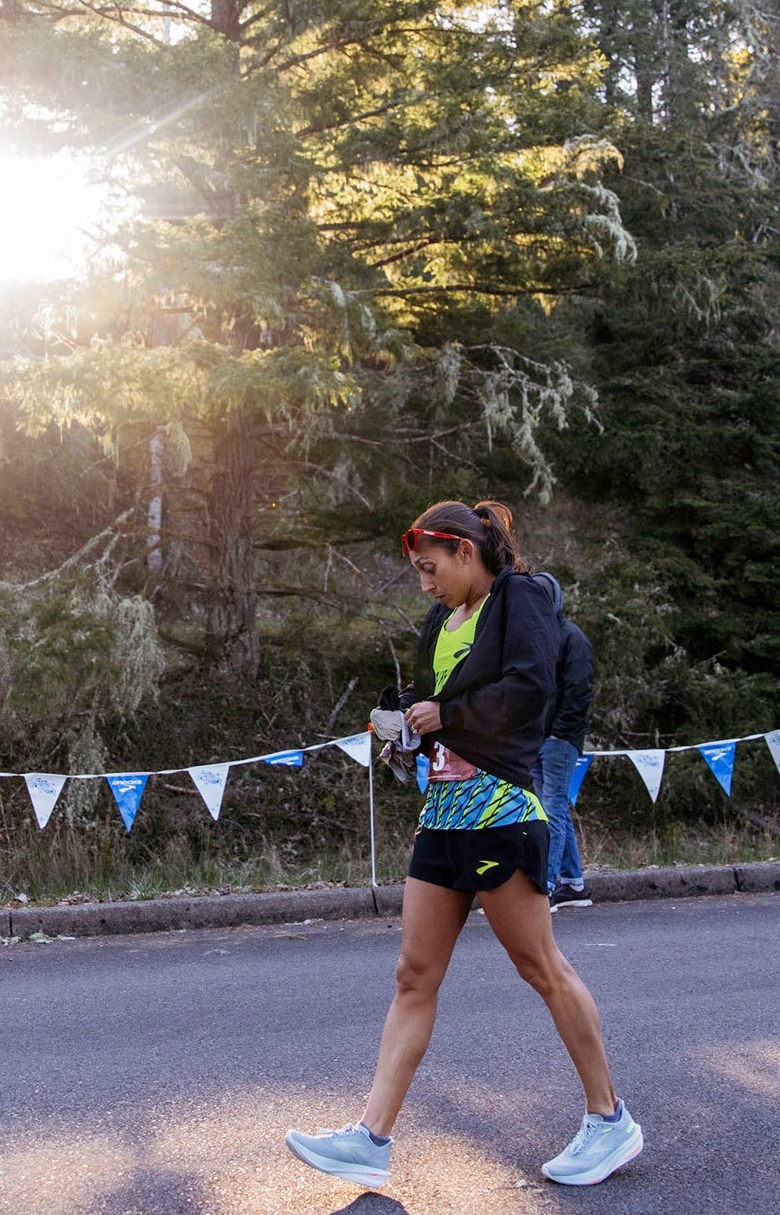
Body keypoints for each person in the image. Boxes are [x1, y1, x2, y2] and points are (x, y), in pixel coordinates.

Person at [286, 501, 642, 1189]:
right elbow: (432, 704)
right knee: (413, 975)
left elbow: (531, 688)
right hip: (444, 811)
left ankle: (610, 1120)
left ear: (466, 552)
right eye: (419, 573)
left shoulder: (520, 598)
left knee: (541, 967)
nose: (426, 584)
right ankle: (371, 1139)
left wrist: (445, 714)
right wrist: (405, 726)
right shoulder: (439, 620)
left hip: (500, 807)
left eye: (431, 569)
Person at [533, 571, 594, 910]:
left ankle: (545, 888)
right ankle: (574, 884)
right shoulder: (535, 639)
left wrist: (560, 731)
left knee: (550, 810)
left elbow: (579, 691)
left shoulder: (573, 638)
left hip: (559, 740)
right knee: (551, 808)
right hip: (536, 737)